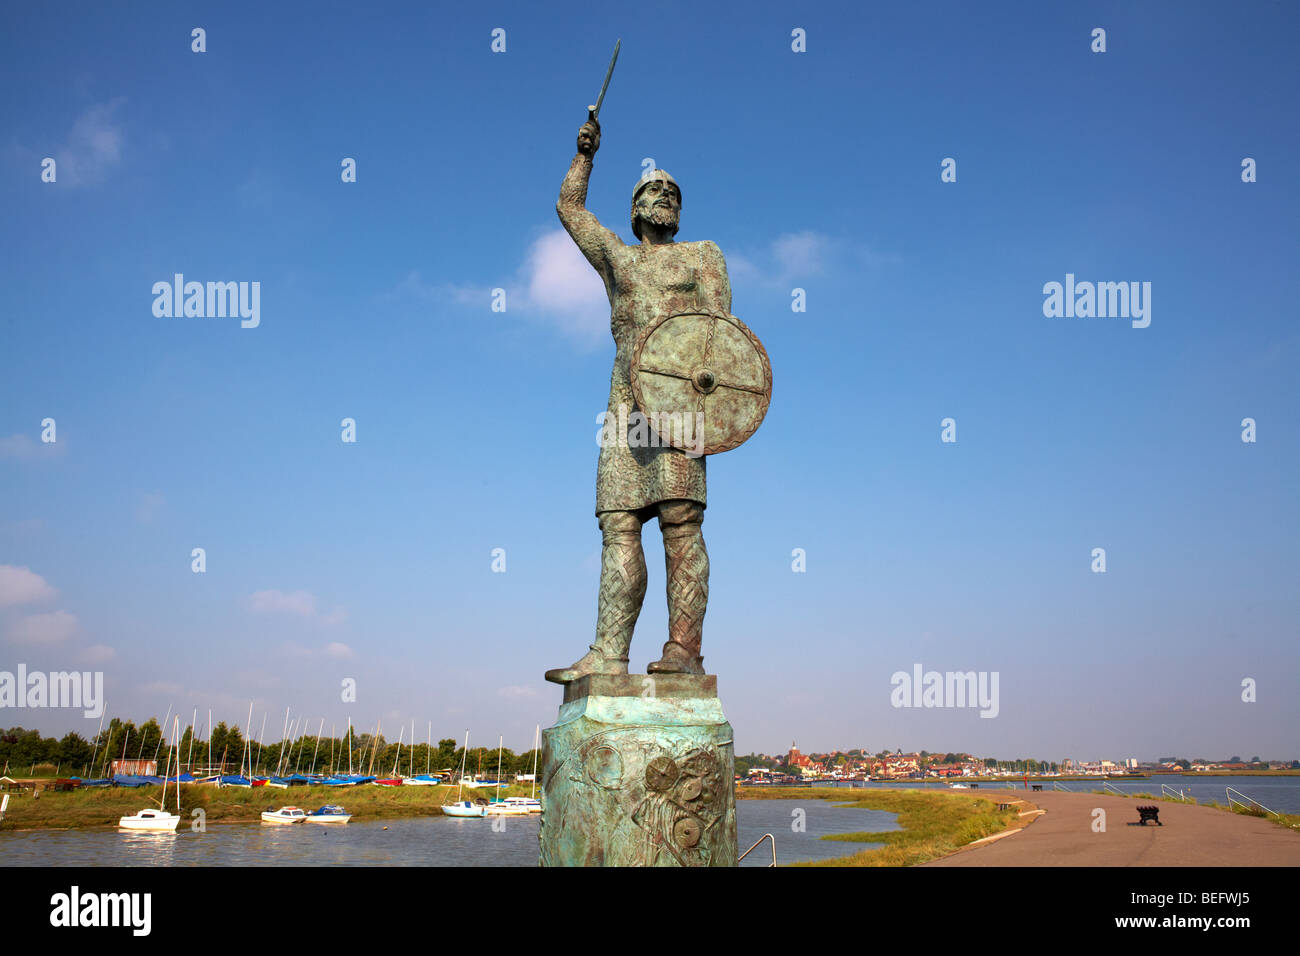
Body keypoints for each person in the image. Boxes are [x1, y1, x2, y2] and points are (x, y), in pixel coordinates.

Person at [544, 116, 732, 684]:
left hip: (679, 405)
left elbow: (721, 342)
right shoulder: (619, 261)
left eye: (672, 193)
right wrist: (585, 156)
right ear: (635, 208)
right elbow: (570, 211)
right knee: (619, 525)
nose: (665, 196)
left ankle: (684, 650)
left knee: (681, 524)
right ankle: (608, 653)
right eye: (653, 190)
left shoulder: (703, 256)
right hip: (625, 407)